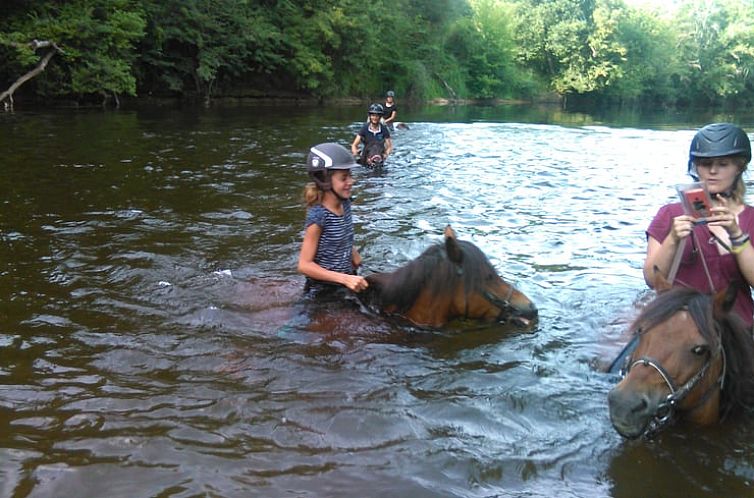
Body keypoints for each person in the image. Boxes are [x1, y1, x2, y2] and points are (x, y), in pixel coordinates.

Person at [643, 122, 754, 328]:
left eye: (723, 164)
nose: (713, 171)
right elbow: (651, 278)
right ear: (696, 167)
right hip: (678, 324)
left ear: (739, 167)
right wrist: (673, 239)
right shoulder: (670, 214)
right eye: (705, 164)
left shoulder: (751, 219)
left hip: (735, 328)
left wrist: (737, 235)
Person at [298, 142, 369, 295]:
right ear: (325, 180)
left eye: (350, 175)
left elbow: (342, 235)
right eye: (344, 178)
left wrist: (352, 252)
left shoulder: (346, 203)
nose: (351, 181)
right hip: (322, 290)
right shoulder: (319, 215)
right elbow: (304, 265)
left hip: (347, 279)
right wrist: (344, 279)